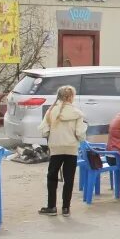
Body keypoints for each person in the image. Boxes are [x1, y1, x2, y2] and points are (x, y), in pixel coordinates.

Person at [37, 85, 87, 217]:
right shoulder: (77, 113)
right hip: (71, 149)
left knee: (52, 177)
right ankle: (66, 208)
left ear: (58, 96)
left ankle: (51, 207)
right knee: (69, 179)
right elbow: (80, 134)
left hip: (56, 148)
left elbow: (44, 131)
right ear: (71, 97)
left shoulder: (51, 111)